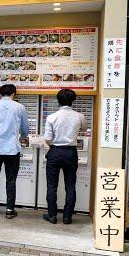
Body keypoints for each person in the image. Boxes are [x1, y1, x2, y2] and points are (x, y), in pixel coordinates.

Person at [0, 84, 29, 219]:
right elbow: (25, 129)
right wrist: (22, 137)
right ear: (13, 94)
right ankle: (10, 209)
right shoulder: (19, 107)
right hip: (12, 149)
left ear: (0, 94)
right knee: (11, 179)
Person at [42, 88, 85, 225]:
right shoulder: (80, 116)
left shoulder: (52, 117)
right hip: (71, 152)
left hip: (55, 152)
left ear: (58, 101)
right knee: (70, 185)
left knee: (51, 185)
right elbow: (84, 129)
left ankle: (52, 216)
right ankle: (67, 217)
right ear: (73, 101)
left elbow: (47, 139)